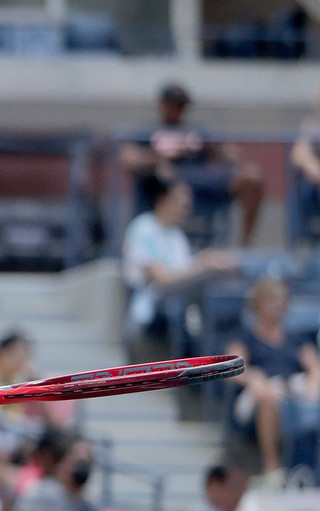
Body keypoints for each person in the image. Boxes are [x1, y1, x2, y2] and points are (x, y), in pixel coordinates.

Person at [119, 83, 263, 247]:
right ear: (162, 104)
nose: (178, 109)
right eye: (173, 104)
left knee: (251, 177)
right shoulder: (148, 131)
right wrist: (162, 155)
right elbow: (128, 159)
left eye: (181, 105)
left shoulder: (196, 131)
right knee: (165, 173)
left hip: (200, 181)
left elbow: (231, 155)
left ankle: (245, 247)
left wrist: (213, 149)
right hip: (164, 183)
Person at [122, 172, 236, 356]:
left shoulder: (177, 236)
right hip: (148, 318)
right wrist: (203, 263)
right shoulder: (143, 229)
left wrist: (206, 262)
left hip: (178, 317)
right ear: (163, 200)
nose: (187, 206)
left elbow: (184, 273)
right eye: (181, 201)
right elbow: (163, 279)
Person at [225, 276, 320, 477]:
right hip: (257, 397)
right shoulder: (243, 336)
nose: (278, 305)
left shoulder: (296, 338)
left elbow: (314, 368)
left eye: (281, 300)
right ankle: (272, 468)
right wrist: (254, 378)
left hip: (292, 392)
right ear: (258, 303)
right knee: (268, 396)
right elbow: (233, 368)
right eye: (272, 300)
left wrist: (312, 391)